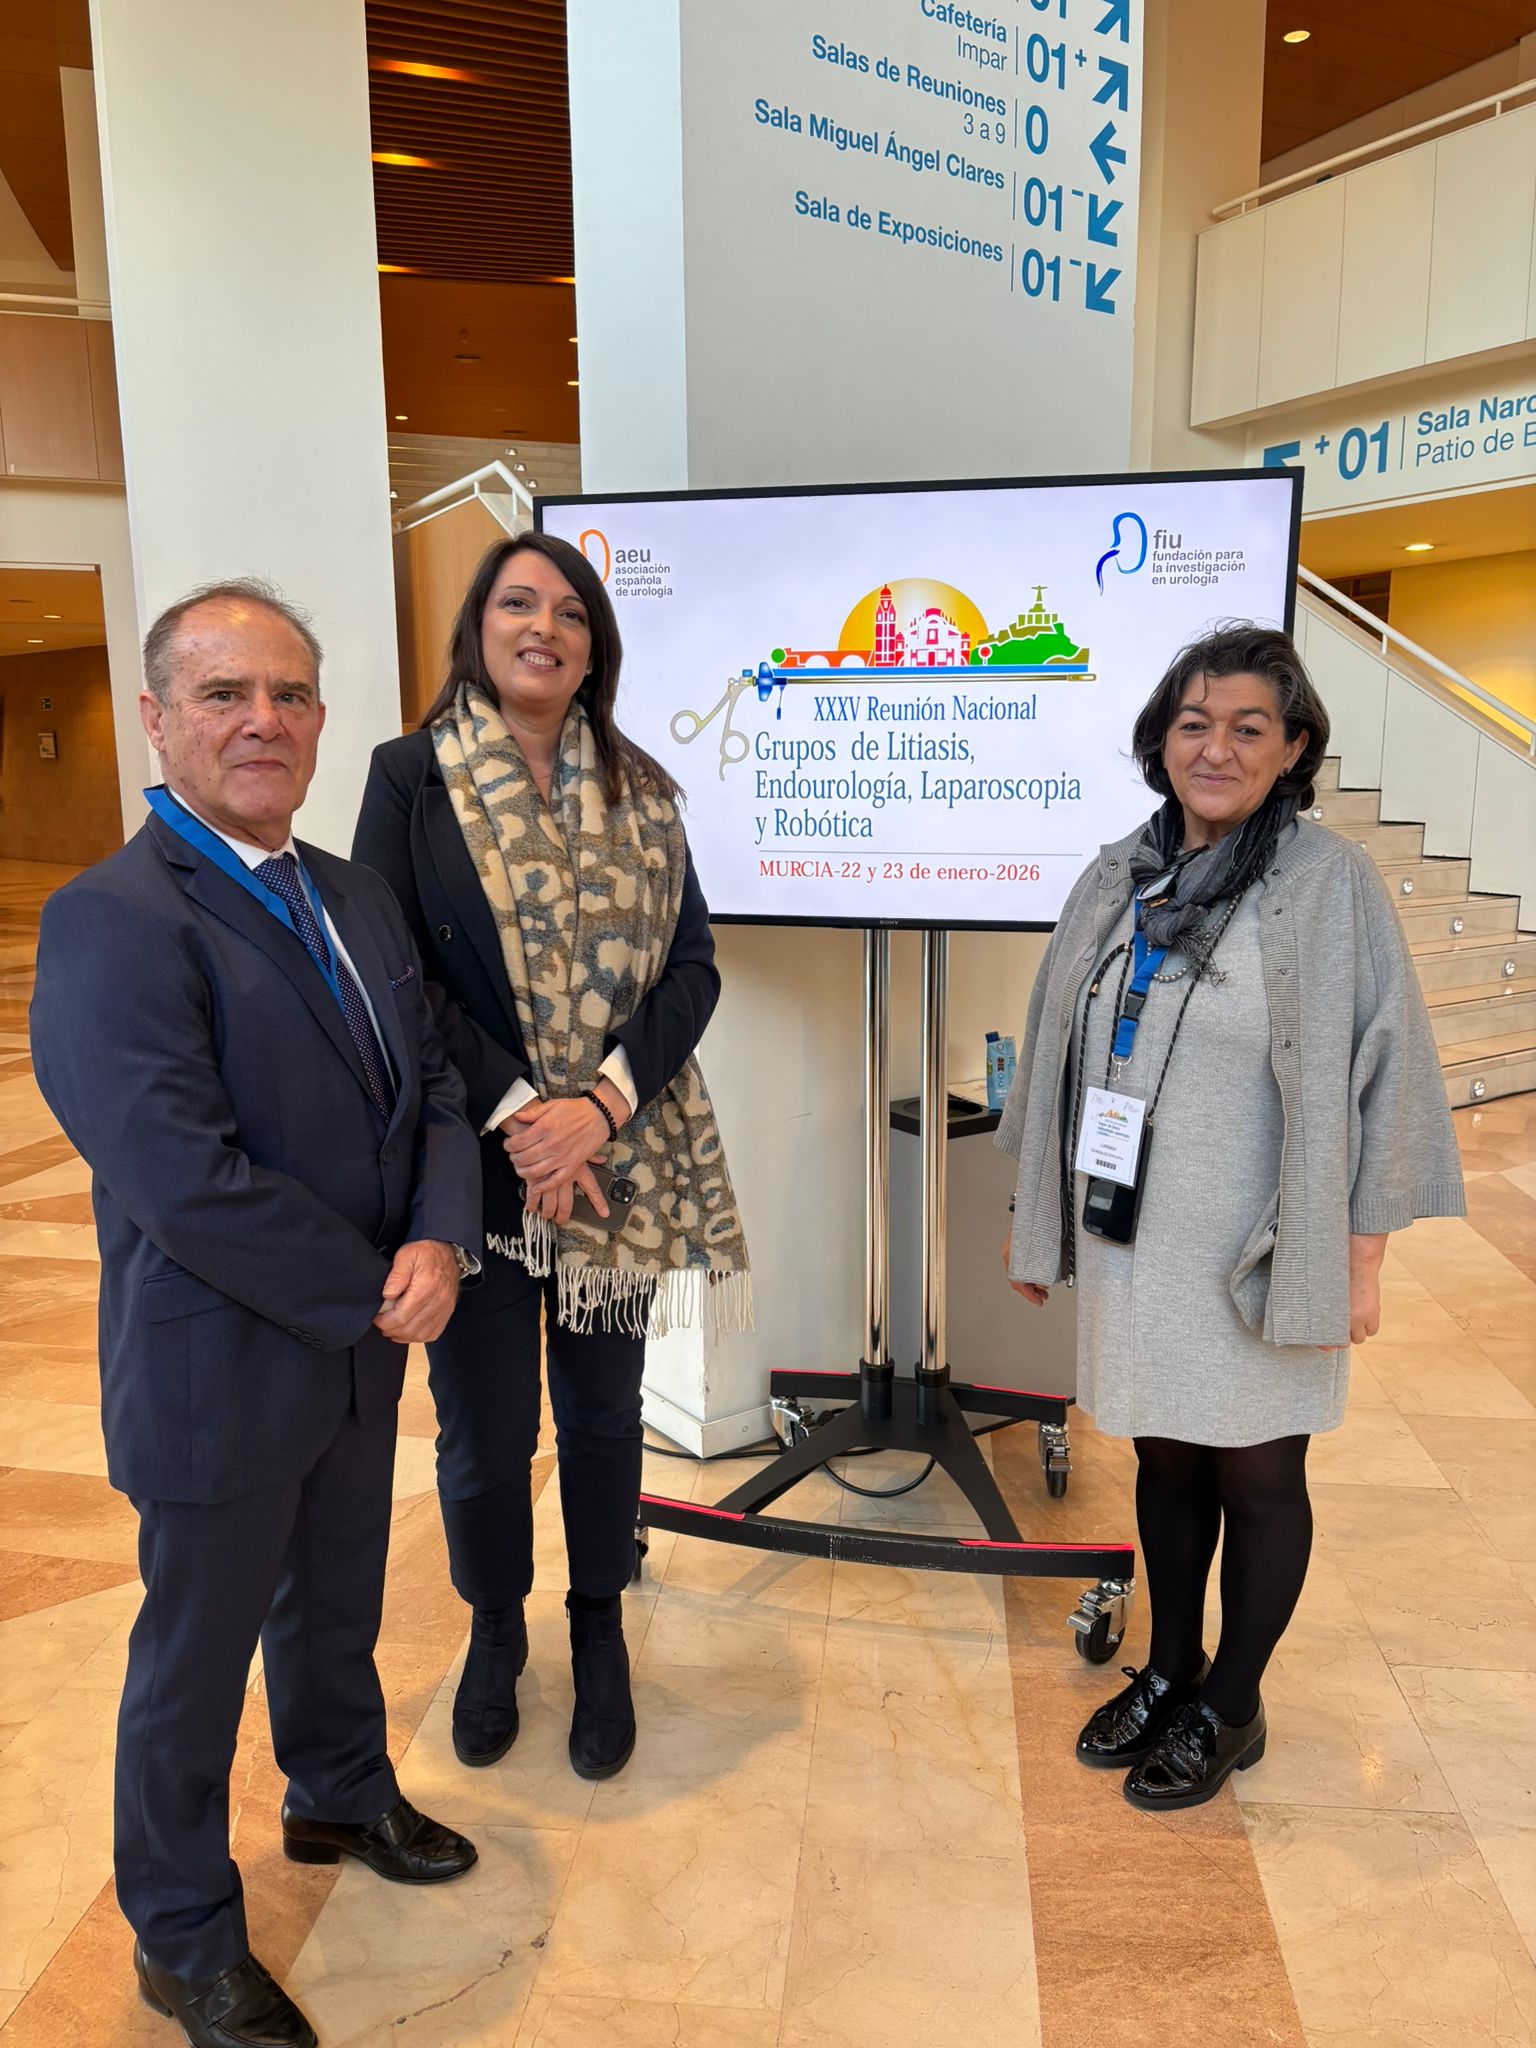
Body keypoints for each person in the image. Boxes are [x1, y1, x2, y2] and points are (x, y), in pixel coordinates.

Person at [30, 581, 484, 2048]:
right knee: (193, 1661)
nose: (262, 721)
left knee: (337, 1602)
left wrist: (440, 1230)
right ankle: (179, 1935)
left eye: (288, 694)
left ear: (322, 719)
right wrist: (372, 1286)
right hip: (221, 1367)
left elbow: (432, 1089)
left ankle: (337, 1795)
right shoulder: (111, 920)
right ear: (158, 720)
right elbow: (185, 1179)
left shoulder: (350, 890)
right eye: (224, 695)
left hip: (359, 1349)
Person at [998, 622, 1463, 1812]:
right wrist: (1043, 1219)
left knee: (1257, 1472)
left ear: (1293, 745)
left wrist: (1359, 1258)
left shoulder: (1325, 883)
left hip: (1259, 1238)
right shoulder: (1119, 870)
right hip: (1136, 1233)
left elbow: (1386, 1067)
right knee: (1163, 1449)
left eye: (1249, 725)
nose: (1217, 746)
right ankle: (1169, 1664)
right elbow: (1059, 1041)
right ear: (1160, 739)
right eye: (1193, 723)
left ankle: (1233, 1701)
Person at [352, 531, 750, 1783]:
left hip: (613, 1165)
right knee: (477, 1429)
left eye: (570, 611)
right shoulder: (408, 777)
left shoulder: (644, 786)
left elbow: (693, 966)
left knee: (600, 1415)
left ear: (595, 646)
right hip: (471, 1165)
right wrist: (531, 1112)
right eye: (518, 603)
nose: (545, 625)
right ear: (479, 626)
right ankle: (493, 1627)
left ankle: (598, 1628)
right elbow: (393, 968)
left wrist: (604, 1105)